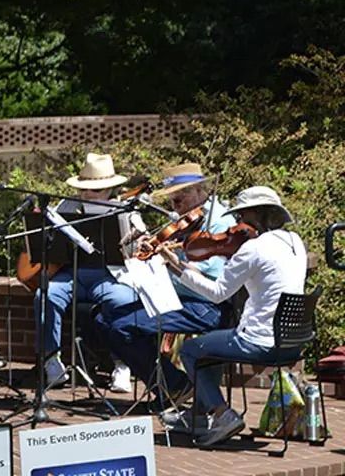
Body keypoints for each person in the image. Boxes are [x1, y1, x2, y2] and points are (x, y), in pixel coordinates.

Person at [162, 186, 306, 446]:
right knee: (214, 342)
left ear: (254, 216)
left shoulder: (253, 249)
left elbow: (217, 293)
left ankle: (221, 414)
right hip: (292, 343)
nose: (237, 224)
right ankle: (198, 416)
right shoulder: (295, 242)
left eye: (241, 217)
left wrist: (177, 268)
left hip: (259, 342)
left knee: (193, 349)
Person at [96, 162, 234, 400]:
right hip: (176, 298)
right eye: (172, 196)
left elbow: (206, 274)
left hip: (205, 306)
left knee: (121, 326)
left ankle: (174, 385)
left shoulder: (219, 222)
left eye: (184, 193)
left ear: (203, 190)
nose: (176, 200)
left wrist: (166, 261)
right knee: (102, 318)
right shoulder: (186, 221)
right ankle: (168, 386)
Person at [35, 153, 140, 391]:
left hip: (108, 274)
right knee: (45, 296)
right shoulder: (66, 206)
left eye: (94, 190)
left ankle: (122, 365)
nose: (87, 194)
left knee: (123, 301)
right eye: (85, 189)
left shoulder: (124, 209)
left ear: (108, 189)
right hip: (71, 271)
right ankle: (52, 361)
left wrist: (132, 240)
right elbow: (49, 242)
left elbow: (134, 252)